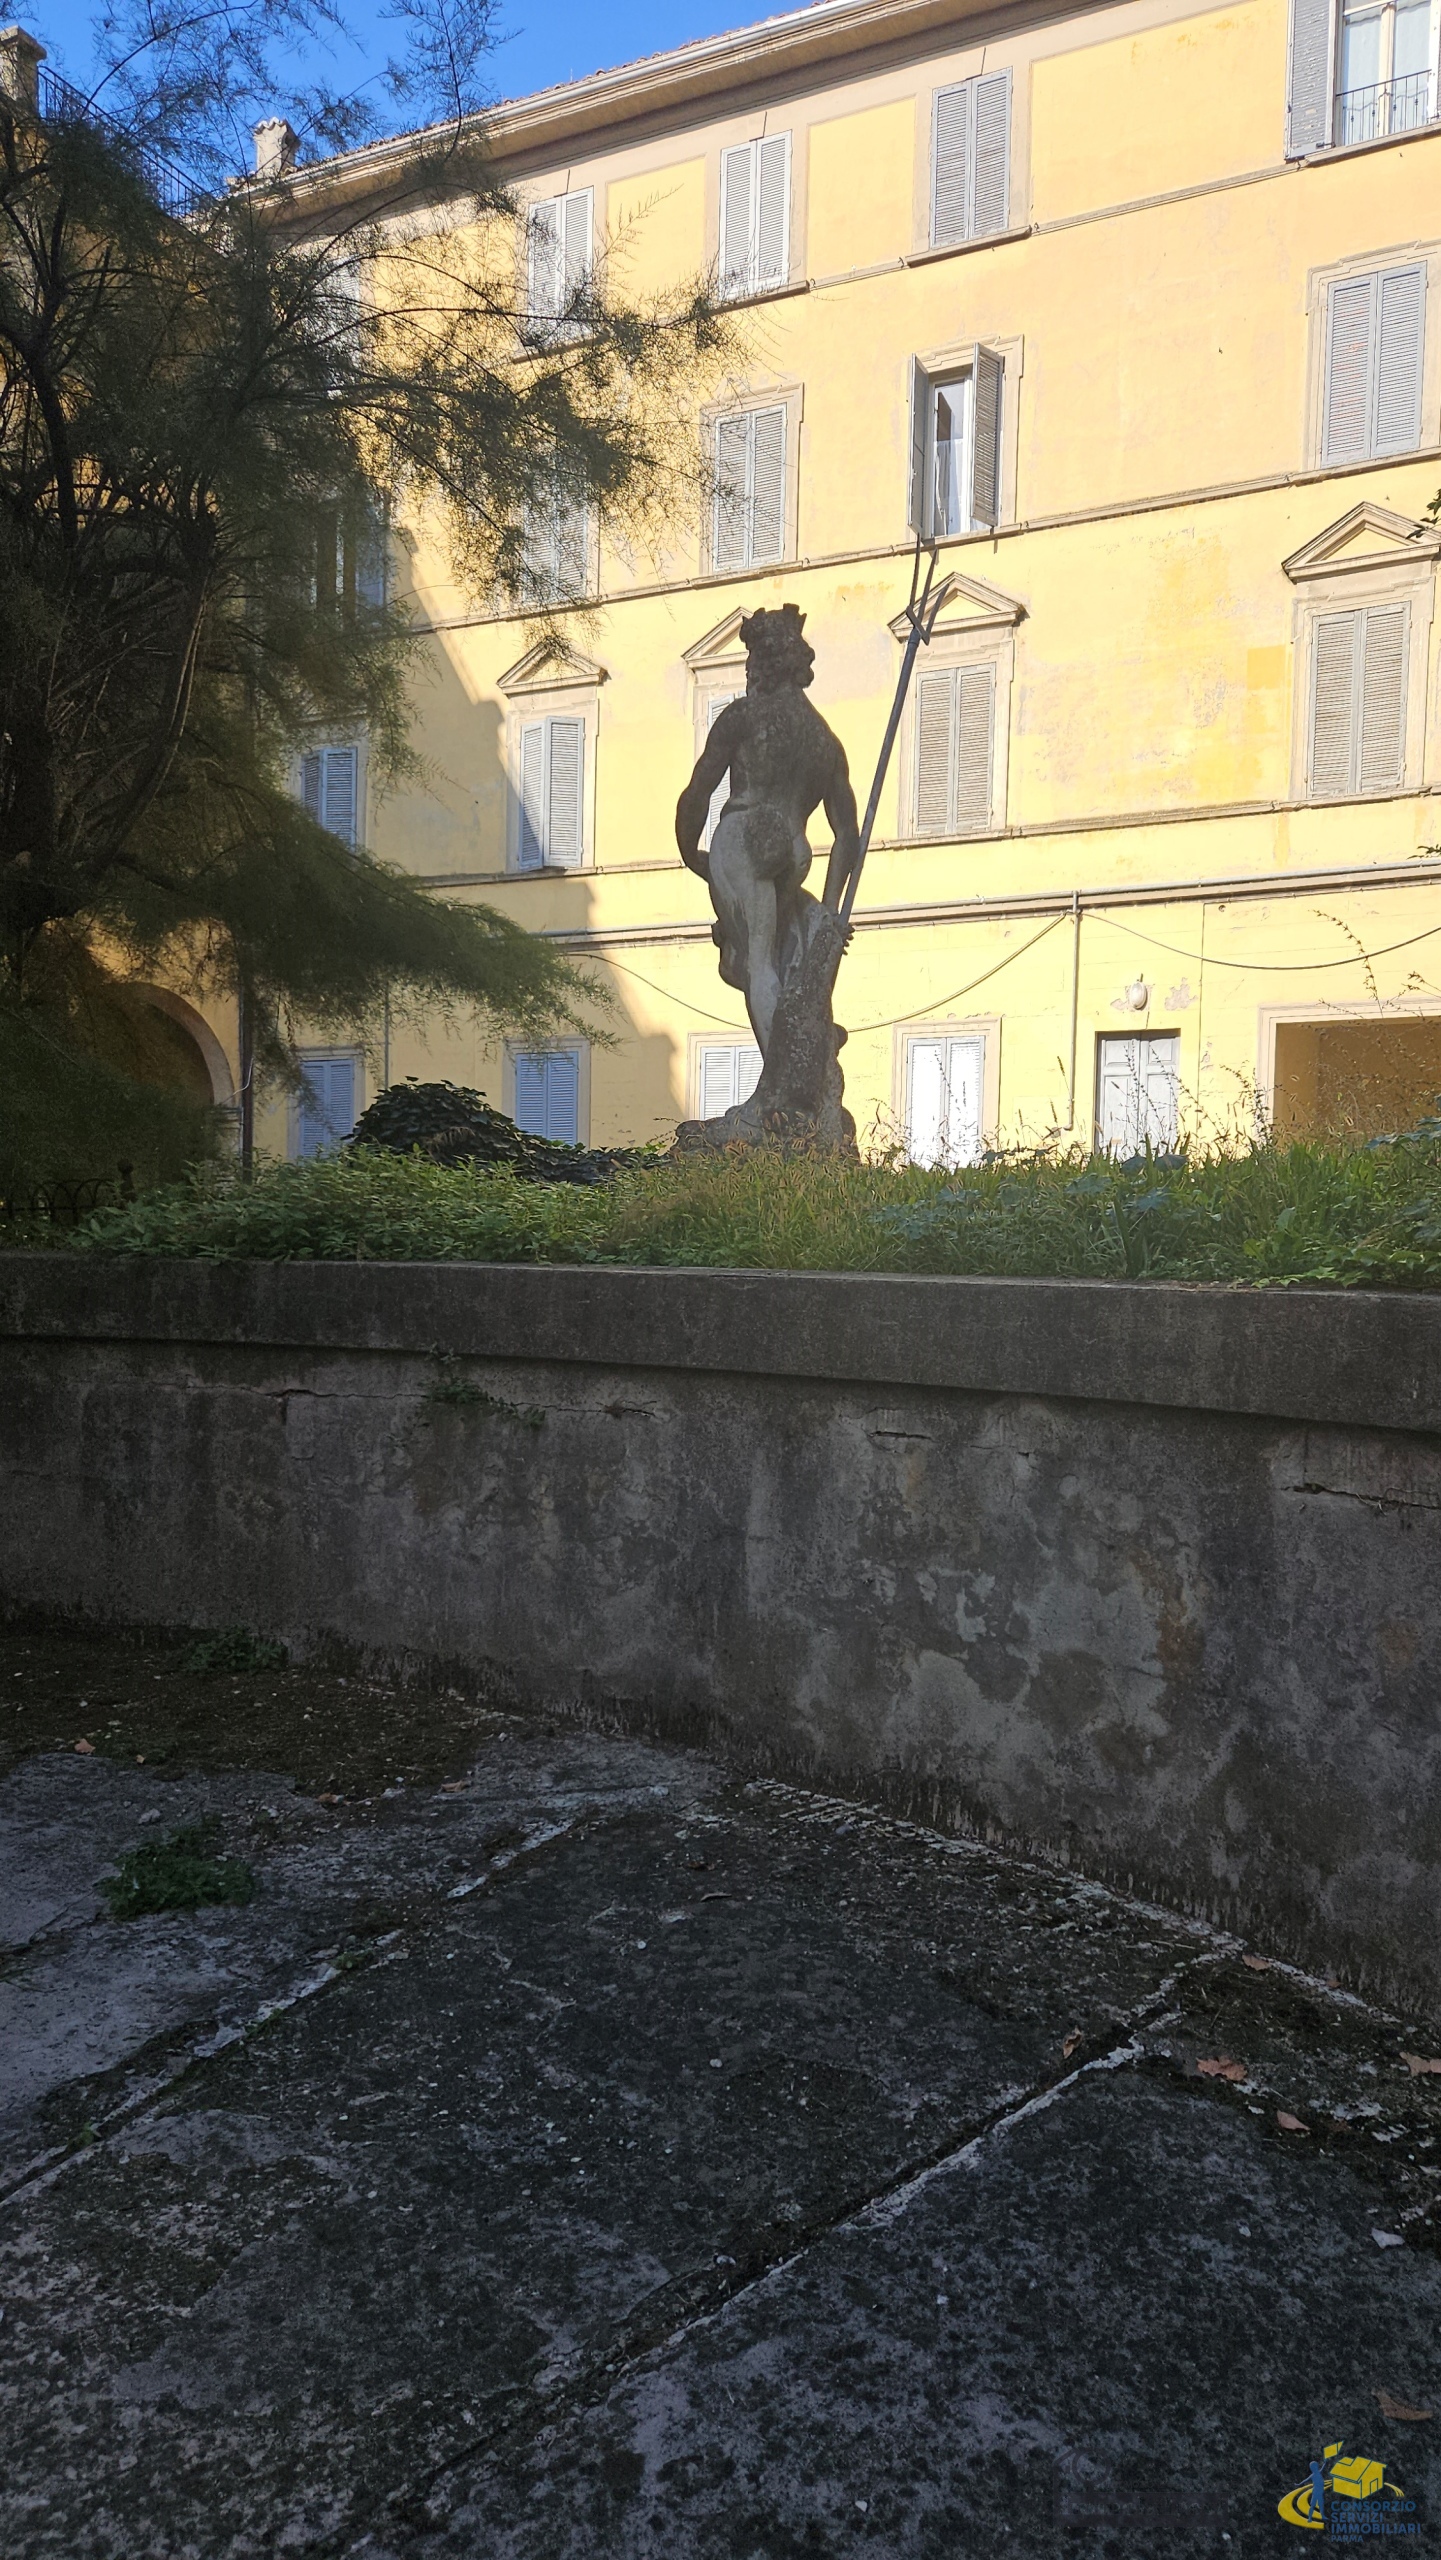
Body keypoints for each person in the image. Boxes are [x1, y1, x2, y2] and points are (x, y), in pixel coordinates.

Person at [675, 604, 860, 1058]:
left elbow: (698, 792)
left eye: (751, 660)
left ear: (762, 663)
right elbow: (847, 834)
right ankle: (808, 1043)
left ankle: (784, 1075)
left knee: (759, 963)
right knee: (791, 953)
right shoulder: (824, 740)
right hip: (795, 851)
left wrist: (689, 851)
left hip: (746, 834)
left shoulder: (744, 717)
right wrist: (833, 911)